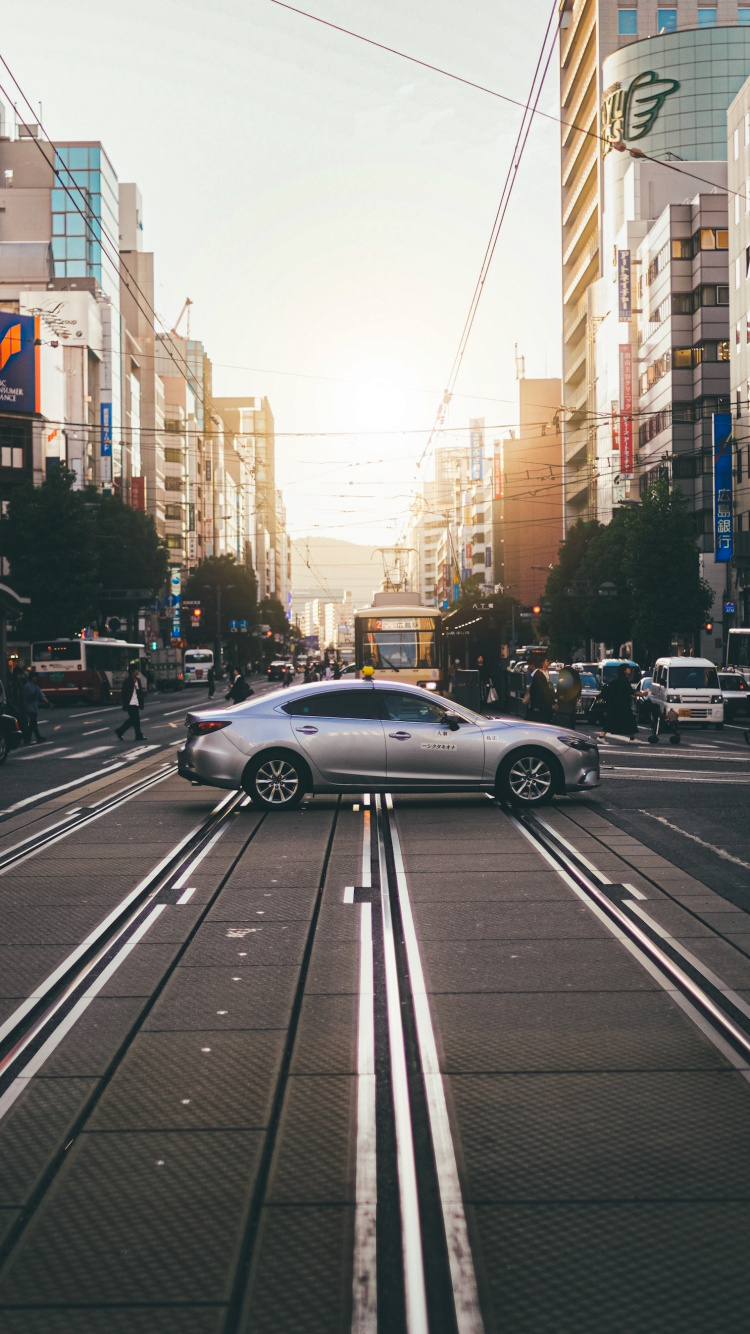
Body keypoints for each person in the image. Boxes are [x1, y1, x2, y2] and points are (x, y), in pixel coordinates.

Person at [599, 663, 637, 740]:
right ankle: (601, 736)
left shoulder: (618, 680)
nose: (629, 670)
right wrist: (642, 694)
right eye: (628, 668)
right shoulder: (624, 680)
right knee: (629, 719)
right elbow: (630, 691)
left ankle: (601, 736)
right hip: (622, 704)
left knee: (613, 720)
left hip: (616, 704)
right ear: (624, 670)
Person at [116, 663, 145, 741]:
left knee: (133, 720)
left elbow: (140, 693)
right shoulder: (127, 681)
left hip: (136, 703)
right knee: (135, 720)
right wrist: (125, 704)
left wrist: (141, 702)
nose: (137, 672)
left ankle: (120, 731)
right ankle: (138, 735)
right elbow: (124, 694)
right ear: (132, 671)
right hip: (130, 703)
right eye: (136, 670)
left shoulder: (138, 680)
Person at [527, 654, 556, 724]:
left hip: (540, 708)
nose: (528, 667)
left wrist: (537, 706)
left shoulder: (538, 676)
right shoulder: (539, 675)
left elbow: (541, 692)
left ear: (532, 665)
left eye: (529, 665)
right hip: (540, 707)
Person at [23, 669, 49, 744]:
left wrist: (49, 703)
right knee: (33, 723)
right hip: (29, 707)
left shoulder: (36, 687)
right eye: (34, 677)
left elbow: (42, 696)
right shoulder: (27, 686)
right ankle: (38, 737)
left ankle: (27, 738)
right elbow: (25, 697)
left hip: (35, 707)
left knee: (32, 724)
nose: (35, 678)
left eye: (36, 677)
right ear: (31, 677)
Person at [555, 666, 581, 731]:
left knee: (563, 717)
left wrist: (560, 694)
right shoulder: (575, 673)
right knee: (571, 716)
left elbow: (560, 683)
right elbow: (579, 685)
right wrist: (577, 695)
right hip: (572, 698)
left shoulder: (563, 672)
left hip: (563, 699)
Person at [9, 666, 29, 743]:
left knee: (24, 723)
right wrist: (14, 706)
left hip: (21, 705)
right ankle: (22, 739)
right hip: (16, 706)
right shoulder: (12, 683)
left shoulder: (20, 682)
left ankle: (26, 739)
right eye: (19, 674)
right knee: (20, 724)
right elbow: (11, 696)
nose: (21, 676)